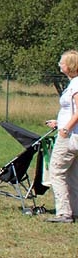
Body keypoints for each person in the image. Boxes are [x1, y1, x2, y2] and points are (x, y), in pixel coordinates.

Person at [44, 50, 78, 223]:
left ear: (70, 65)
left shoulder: (76, 85)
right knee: (72, 173)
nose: (59, 65)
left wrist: (65, 128)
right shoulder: (73, 84)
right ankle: (74, 210)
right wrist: (58, 123)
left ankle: (64, 212)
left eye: (62, 62)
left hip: (70, 136)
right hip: (70, 131)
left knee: (56, 171)